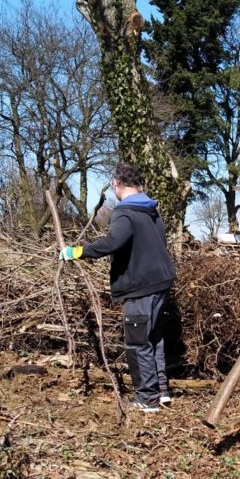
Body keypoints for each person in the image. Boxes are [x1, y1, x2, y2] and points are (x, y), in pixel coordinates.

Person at [59, 162, 176, 413]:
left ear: (116, 184)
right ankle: (161, 391)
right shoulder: (151, 210)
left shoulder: (124, 212)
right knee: (153, 336)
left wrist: (78, 251)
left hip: (141, 285)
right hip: (161, 282)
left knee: (137, 341)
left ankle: (148, 398)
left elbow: (113, 242)